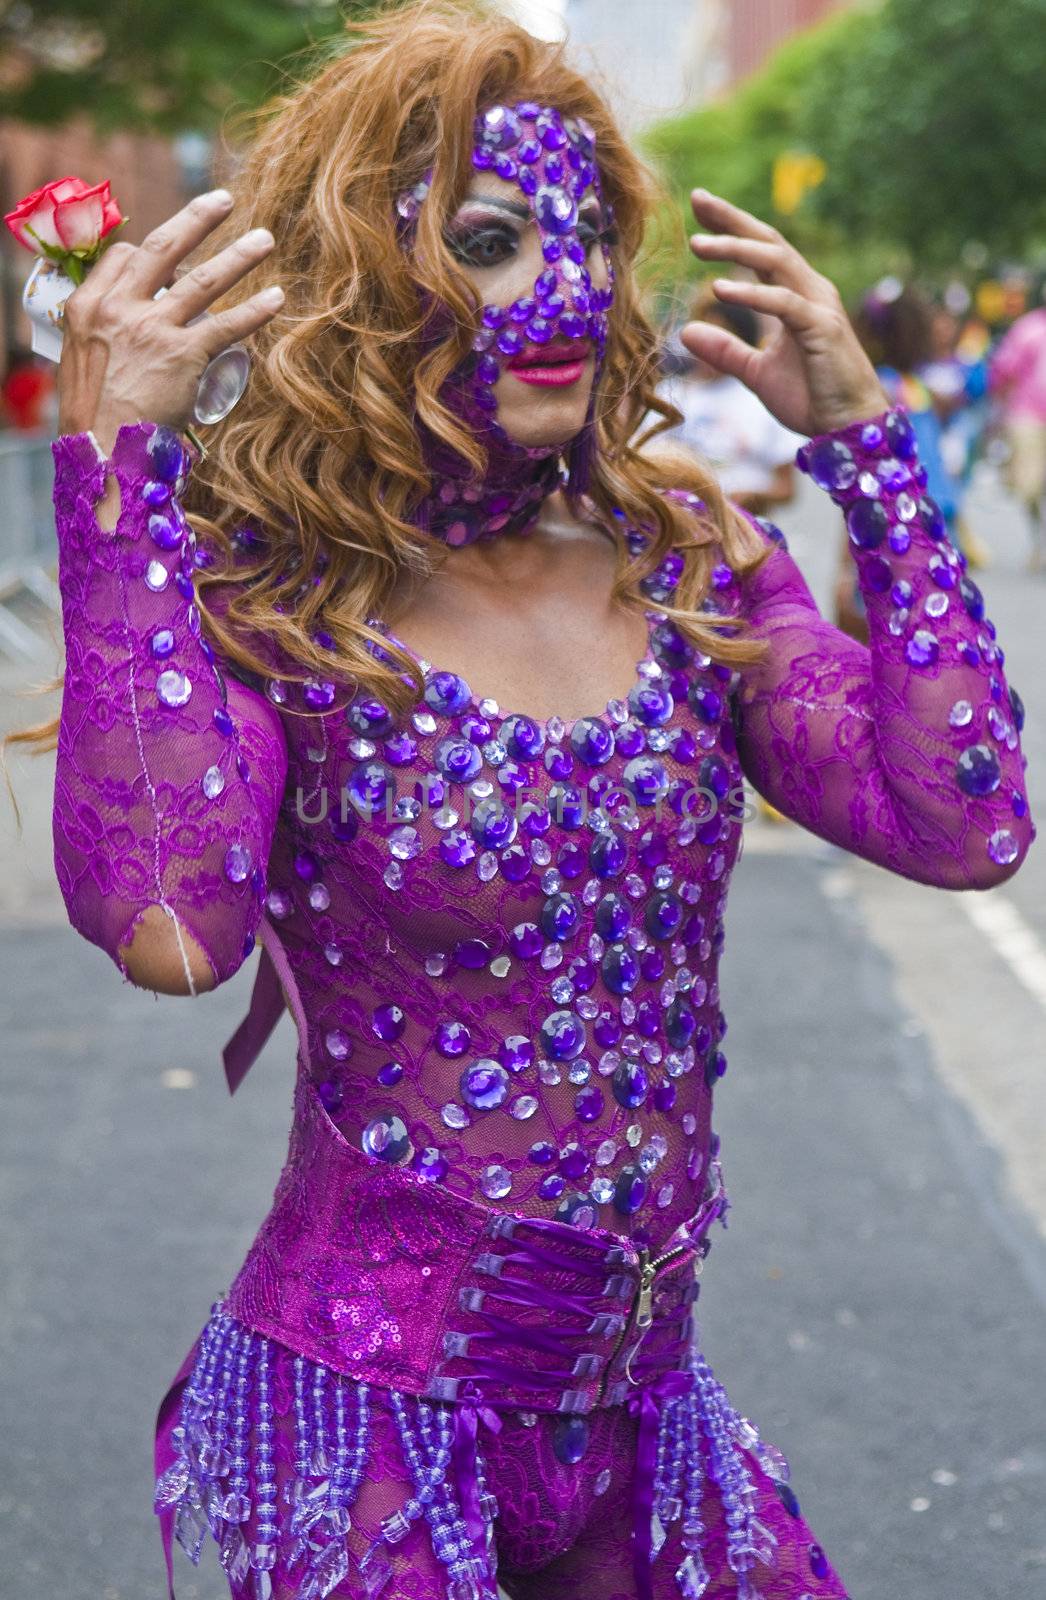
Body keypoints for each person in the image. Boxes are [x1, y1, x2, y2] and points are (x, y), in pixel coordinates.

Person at [29, 3, 1033, 1597]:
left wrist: (866, 448)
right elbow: (166, 924)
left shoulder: (690, 561)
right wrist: (114, 485)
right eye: (492, 240)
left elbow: (960, 818)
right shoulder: (275, 607)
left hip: (642, 1414)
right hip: (359, 1426)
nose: (564, 291)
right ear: (370, 277)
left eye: (583, 236)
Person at [657, 285, 803, 518]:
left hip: (743, 540)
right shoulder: (667, 395)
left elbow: (786, 489)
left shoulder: (765, 402)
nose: (708, 348)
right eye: (704, 334)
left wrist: (753, 496)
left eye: (722, 336)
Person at [989, 292, 1046, 572]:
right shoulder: (1027, 329)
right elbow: (1003, 370)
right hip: (1028, 417)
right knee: (1029, 486)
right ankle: (1039, 537)